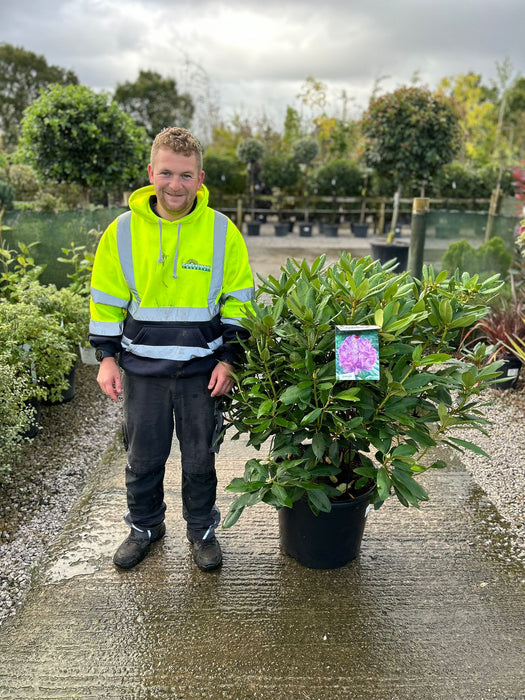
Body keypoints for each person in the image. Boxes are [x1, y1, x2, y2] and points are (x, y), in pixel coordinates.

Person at [89, 126, 254, 572]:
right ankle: (145, 526)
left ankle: (201, 529)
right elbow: (105, 299)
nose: (174, 185)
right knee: (142, 457)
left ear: (200, 178)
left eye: (185, 175)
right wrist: (106, 357)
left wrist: (230, 359)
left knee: (200, 458)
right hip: (142, 370)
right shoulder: (121, 232)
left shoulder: (223, 232)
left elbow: (239, 298)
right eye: (166, 173)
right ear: (150, 173)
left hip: (203, 372)